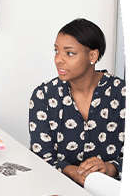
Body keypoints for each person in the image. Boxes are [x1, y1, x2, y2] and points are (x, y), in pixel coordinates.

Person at [29, 18, 125, 186]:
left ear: (92, 56)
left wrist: (109, 168)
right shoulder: (43, 95)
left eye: (69, 53)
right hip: (58, 189)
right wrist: (72, 172)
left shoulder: (121, 93)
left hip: (111, 192)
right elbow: (40, 156)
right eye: (56, 51)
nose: (58, 59)